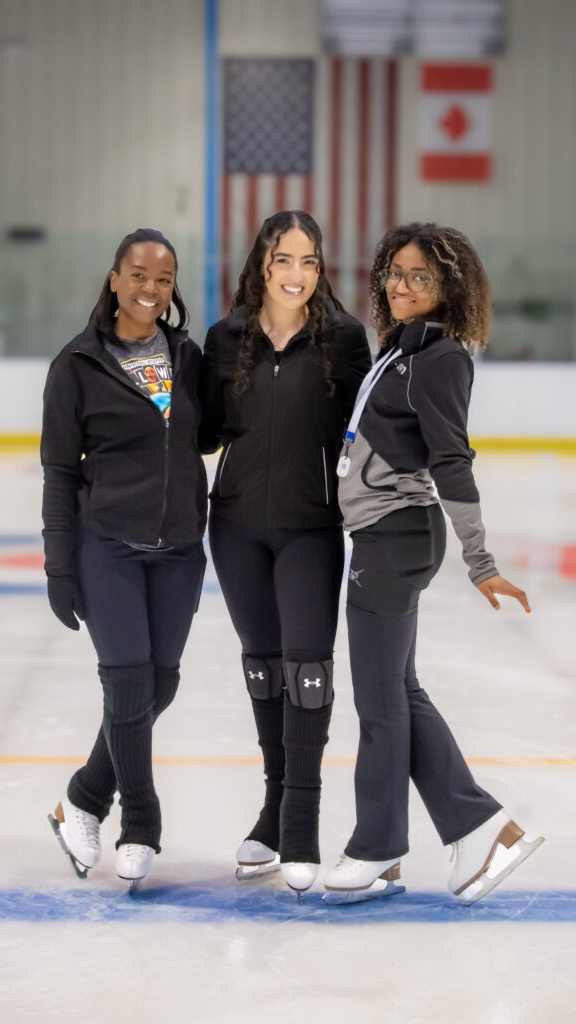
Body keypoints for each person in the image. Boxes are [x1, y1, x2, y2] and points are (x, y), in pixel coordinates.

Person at [323, 222, 544, 905]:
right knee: (398, 691)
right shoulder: (402, 349)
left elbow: (451, 459)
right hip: (386, 535)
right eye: (394, 272)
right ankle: (481, 829)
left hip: (395, 537)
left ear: (448, 286)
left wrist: (480, 561)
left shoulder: (440, 357)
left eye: (419, 276)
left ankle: (378, 846)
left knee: (380, 700)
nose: (401, 285)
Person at [199, 211, 371, 895]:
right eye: (283, 260)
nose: (296, 275)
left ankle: (301, 820)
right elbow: (201, 433)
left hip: (310, 529)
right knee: (263, 669)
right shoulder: (226, 337)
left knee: (307, 672)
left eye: (309, 261)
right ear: (261, 265)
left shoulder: (344, 339)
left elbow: (369, 432)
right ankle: (273, 809)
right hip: (235, 528)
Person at [41, 228, 207, 890]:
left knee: (160, 684)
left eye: (163, 279)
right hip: (105, 546)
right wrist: (59, 566)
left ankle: (82, 796)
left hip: (178, 550)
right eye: (138, 274)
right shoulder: (77, 365)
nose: (150, 288)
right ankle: (139, 821)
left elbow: (212, 432)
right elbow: (59, 473)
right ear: (115, 279)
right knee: (130, 685)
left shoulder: (188, 358)